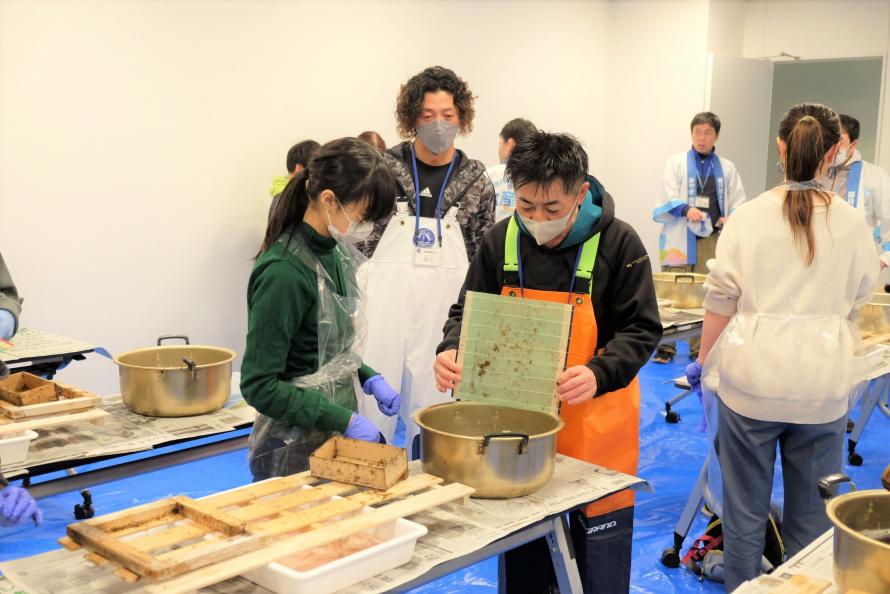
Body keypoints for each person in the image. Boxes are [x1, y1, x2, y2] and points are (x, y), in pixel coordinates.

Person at [434, 132, 662, 593]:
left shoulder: (620, 244)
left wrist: (599, 372)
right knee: (525, 563)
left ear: (580, 194)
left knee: (596, 564)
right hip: (518, 437)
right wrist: (452, 348)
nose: (538, 219)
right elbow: (467, 309)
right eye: (525, 205)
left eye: (552, 208)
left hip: (596, 432)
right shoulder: (501, 240)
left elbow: (641, 329)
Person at [686, 103, 878, 592]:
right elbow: (861, 293)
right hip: (822, 385)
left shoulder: (749, 218)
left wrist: (703, 362)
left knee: (745, 513)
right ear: (837, 151)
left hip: (750, 381)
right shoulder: (852, 223)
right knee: (812, 522)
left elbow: (721, 300)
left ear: (780, 148)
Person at [241, 137, 401, 481]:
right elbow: (259, 385)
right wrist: (344, 420)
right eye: (363, 215)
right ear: (329, 200)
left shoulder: (335, 252)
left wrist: (367, 375)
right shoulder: (283, 273)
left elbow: (327, 348)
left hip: (333, 431)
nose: (368, 227)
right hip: (291, 446)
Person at [355, 66, 496, 455]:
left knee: (437, 411)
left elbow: (484, 254)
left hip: (444, 313)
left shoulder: (476, 179)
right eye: (427, 116)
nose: (438, 124)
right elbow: (360, 240)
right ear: (411, 117)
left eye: (447, 116)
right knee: (372, 402)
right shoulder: (384, 168)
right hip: (385, 308)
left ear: (461, 117)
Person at [652, 112, 746, 363]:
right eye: (697, 132)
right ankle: (666, 347)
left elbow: (738, 200)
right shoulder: (676, 163)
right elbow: (667, 193)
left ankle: (699, 347)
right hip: (679, 235)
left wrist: (730, 217)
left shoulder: (727, 168)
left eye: (707, 132)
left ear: (716, 135)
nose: (701, 137)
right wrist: (685, 209)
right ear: (691, 133)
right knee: (673, 289)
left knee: (706, 290)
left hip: (711, 239)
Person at [820, 114, 890, 268]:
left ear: (853, 144)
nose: (832, 147)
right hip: (818, 264)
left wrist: (883, 261)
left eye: (839, 140)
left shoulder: (874, 176)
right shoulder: (817, 172)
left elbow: (888, 220)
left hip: (855, 266)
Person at [487, 118, 537, 222]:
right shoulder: (539, 178)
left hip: (490, 236)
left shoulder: (488, 175)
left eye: (500, 144)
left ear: (510, 144)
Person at [268, 140, 321, 220]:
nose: (319, 173)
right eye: (315, 168)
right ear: (299, 168)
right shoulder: (287, 200)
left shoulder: (289, 194)